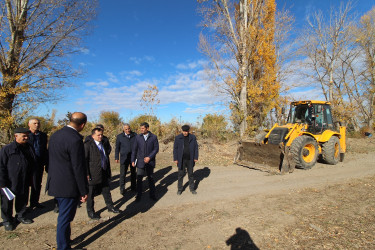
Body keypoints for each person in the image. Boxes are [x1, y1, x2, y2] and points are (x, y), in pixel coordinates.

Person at [46, 112, 89, 250]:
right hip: (68, 185)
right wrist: (83, 190)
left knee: (65, 217)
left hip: (55, 182)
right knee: (65, 218)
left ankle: (65, 240)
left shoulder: (55, 135)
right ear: (82, 125)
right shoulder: (75, 139)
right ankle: (63, 247)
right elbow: (78, 166)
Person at [0, 128, 36, 231]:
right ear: (16, 136)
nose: (26, 138)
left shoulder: (29, 147)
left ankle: (20, 215)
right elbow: (1, 166)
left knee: (23, 198)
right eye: (23, 136)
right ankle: (7, 220)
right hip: (9, 181)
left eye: (27, 136)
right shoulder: (7, 149)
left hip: (24, 178)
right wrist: (2, 182)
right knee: (7, 202)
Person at [84, 128, 120, 220]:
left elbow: (105, 156)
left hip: (104, 172)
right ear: (93, 136)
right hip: (93, 173)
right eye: (98, 135)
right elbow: (84, 160)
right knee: (91, 194)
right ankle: (91, 212)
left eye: (101, 135)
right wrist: (87, 173)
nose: (100, 137)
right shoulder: (88, 145)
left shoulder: (103, 144)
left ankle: (110, 207)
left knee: (106, 191)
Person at [131, 122, 159, 202]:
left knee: (151, 178)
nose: (141, 130)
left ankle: (152, 194)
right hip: (140, 161)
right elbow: (134, 149)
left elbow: (156, 149)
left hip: (150, 162)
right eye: (141, 128)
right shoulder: (138, 137)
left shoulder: (153, 137)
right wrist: (133, 160)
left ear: (147, 128)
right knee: (139, 178)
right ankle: (138, 195)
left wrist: (149, 157)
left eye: (143, 128)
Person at [27, 118, 48, 209]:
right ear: (29, 124)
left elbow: (44, 149)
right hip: (28, 164)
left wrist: (46, 162)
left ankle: (35, 202)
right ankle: (23, 207)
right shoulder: (26, 135)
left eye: (38, 123)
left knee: (37, 184)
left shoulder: (43, 135)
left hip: (39, 163)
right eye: (34, 123)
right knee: (26, 185)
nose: (37, 125)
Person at [173, 125, 199, 195]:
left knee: (190, 174)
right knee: (180, 174)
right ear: (182, 131)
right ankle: (180, 189)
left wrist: (196, 157)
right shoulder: (178, 138)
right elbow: (175, 149)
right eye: (184, 131)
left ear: (188, 131)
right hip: (181, 159)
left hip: (190, 159)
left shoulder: (192, 137)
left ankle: (192, 188)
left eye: (186, 131)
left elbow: (196, 148)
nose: (185, 133)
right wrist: (175, 158)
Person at [115, 123, 137, 195]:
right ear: (123, 129)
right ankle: (122, 188)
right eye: (126, 129)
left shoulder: (135, 135)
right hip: (124, 158)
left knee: (133, 173)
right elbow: (117, 148)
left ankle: (133, 187)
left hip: (133, 157)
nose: (128, 130)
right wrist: (116, 157)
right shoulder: (119, 137)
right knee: (122, 174)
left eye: (128, 129)